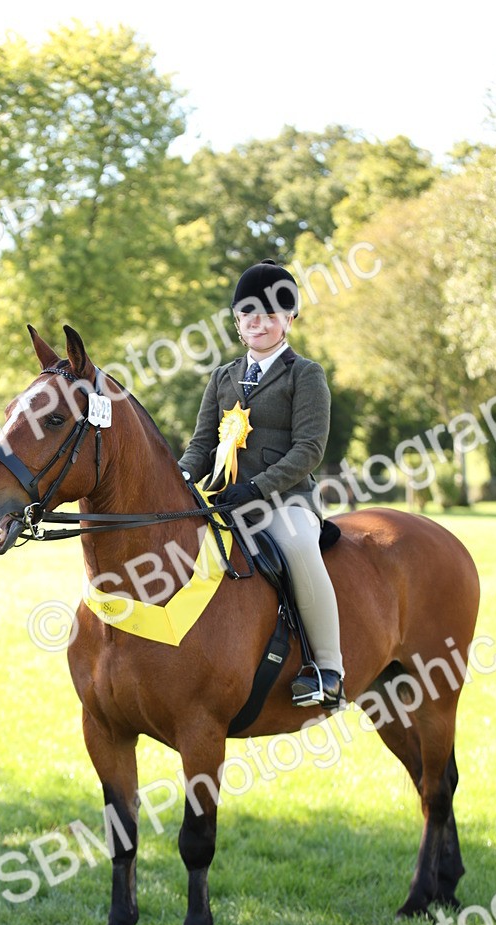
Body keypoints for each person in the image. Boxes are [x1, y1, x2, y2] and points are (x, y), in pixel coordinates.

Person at [177, 259, 344, 709]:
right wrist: (182, 477)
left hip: (284, 501)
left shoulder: (305, 375)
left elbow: (308, 450)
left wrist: (256, 489)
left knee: (297, 546)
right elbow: (200, 444)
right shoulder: (222, 377)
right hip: (222, 499)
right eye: (249, 313)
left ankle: (328, 669)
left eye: (271, 314)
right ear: (236, 320)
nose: (259, 322)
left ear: (289, 320)